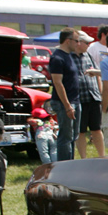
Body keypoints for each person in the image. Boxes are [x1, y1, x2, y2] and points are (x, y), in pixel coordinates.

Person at [47, 27, 81, 162]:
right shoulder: (57, 58)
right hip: (64, 103)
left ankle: (70, 163)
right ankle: (63, 166)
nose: (78, 44)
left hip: (75, 101)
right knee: (65, 137)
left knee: (73, 136)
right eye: (76, 41)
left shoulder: (70, 56)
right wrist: (67, 106)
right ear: (68, 41)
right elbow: (57, 83)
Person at [72, 32, 105, 158]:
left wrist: (100, 94)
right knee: (81, 131)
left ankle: (102, 157)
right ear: (78, 43)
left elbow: (97, 75)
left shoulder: (88, 55)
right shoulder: (69, 57)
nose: (88, 45)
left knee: (97, 129)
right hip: (79, 99)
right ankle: (83, 158)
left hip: (93, 97)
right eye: (86, 43)